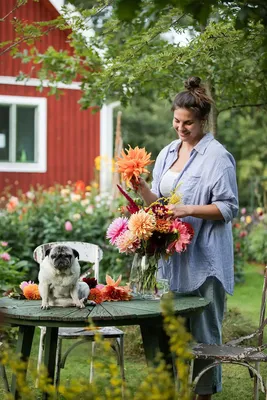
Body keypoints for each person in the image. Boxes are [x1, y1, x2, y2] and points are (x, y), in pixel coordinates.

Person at [137, 76, 239, 400]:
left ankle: (203, 395)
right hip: (173, 256)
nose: (181, 128)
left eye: (188, 123)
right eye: (177, 121)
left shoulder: (217, 157)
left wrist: (189, 209)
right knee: (172, 330)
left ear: (203, 121)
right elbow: (162, 204)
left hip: (205, 257)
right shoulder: (168, 152)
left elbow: (229, 207)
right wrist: (141, 190)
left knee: (204, 332)